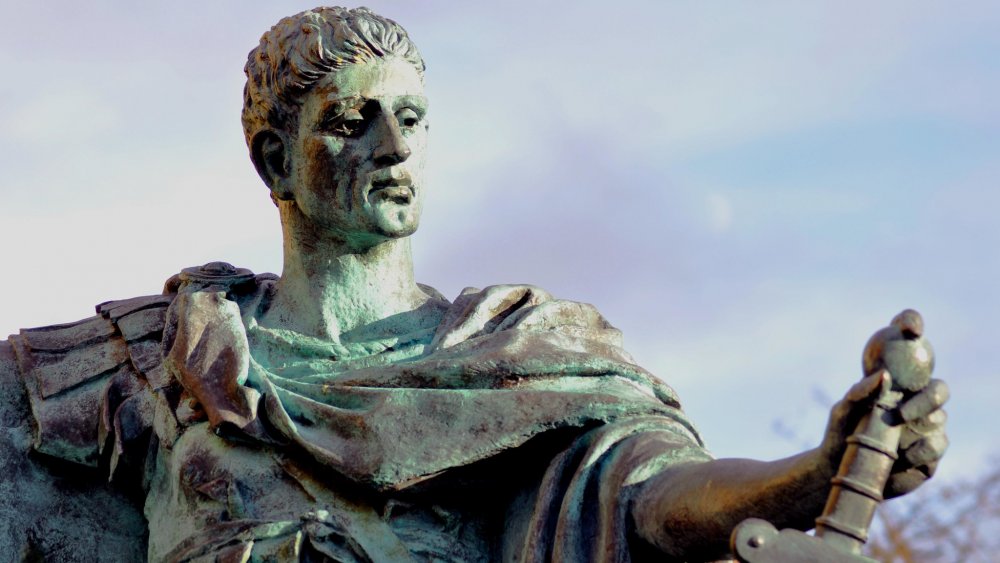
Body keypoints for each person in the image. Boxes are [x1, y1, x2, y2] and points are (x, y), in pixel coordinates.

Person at [0, 7, 947, 562]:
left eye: (410, 118)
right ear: (273, 158)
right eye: (352, 121)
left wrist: (812, 476)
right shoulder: (156, 360)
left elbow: (645, 496)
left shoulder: (527, 357)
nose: (396, 147)